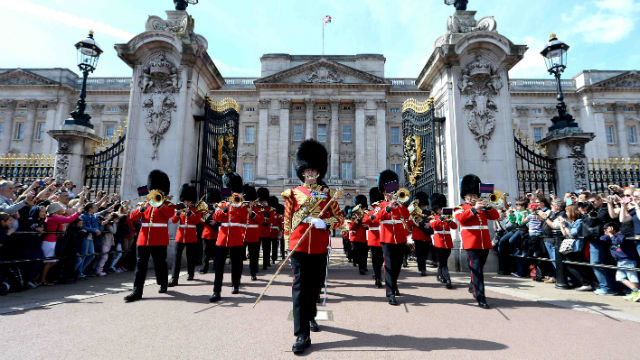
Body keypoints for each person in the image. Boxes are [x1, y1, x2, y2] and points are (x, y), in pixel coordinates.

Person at [282, 139, 344, 354]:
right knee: (300, 288)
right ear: (302, 172)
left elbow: (340, 220)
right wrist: (287, 246)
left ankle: (311, 317)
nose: (310, 174)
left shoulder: (327, 195)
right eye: (306, 170)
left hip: (319, 247)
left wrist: (323, 223)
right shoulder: (293, 194)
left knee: (315, 286)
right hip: (298, 246)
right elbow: (288, 221)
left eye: (313, 170)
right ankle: (301, 334)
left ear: (319, 172)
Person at [124, 170, 176, 302]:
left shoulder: (168, 205)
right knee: (141, 265)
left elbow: (169, 215)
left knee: (160, 263)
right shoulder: (144, 204)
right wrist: (144, 206)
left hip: (159, 239)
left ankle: (163, 282)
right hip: (143, 239)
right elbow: (133, 216)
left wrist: (158, 204)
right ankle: (137, 291)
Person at [454, 174, 499, 309]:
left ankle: (472, 285)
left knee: (478, 268)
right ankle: (481, 297)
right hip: (471, 243)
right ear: (465, 196)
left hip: (484, 242)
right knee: (477, 269)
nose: (473, 198)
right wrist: (474, 209)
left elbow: (495, 216)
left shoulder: (483, 206)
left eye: (475, 195)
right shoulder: (460, 207)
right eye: (470, 195)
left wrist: (489, 207)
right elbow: (461, 219)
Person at [209, 173, 248, 302]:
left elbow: (245, 218)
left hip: (236, 236)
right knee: (219, 265)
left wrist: (238, 206)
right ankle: (216, 291)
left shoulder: (242, 204)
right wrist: (225, 209)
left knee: (236, 263)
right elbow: (216, 218)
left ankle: (236, 284)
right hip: (223, 236)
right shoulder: (223, 204)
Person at [374, 169, 410, 306]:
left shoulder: (400, 203)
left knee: (398, 264)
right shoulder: (380, 205)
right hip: (387, 238)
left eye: (392, 190)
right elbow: (377, 218)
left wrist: (399, 205)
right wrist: (388, 207)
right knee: (388, 265)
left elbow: (406, 216)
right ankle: (390, 293)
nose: (391, 193)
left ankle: (393, 284)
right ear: (384, 191)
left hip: (400, 237)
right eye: (388, 191)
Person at [169, 184, 202, 287]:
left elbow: (197, 221)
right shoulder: (180, 208)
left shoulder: (196, 209)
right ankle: (174, 279)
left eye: (188, 200)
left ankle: (191, 273)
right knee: (176, 258)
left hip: (191, 235)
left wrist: (190, 213)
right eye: (185, 200)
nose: (186, 202)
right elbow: (174, 221)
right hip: (180, 235)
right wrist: (177, 213)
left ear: (191, 200)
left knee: (190, 256)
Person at [41, 202, 80, 285]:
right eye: (60, 208)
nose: (62, 210)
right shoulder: (54, 217)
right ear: (56, 210)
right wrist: (78, 213)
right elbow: (69, 219)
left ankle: (40, 279)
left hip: (52, 240)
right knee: (49, 262)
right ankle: (42, 280)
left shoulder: (53, 217)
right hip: (50, 241)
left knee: (52, 261)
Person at [600, 222, 640, 301]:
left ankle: (637, 292)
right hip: (620, 261)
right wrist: (609, 235)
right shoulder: (610, 236)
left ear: (612, 229)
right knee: (619, 278)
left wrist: (611, 235)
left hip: (628, 260)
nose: (605, 233)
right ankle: (636, 292)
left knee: (632, 277)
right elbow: (602, 238)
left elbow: (617, 242)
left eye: (606, 230)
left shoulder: (621, 235)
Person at [430, 193, 457, 289]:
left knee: (442, 261)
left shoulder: (447, 217)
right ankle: (448, 279)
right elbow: (433, 225)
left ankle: (439, 274)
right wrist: (441, 218)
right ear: (436, 209)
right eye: (439, 209)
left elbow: (455, 226)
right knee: (444, 262)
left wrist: (449, 220)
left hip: (448, 242)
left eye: (442, 208)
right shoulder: (433, 217)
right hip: (439, 242)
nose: (441, 210)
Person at [363, 187, 384, 288]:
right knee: (376, 259)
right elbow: (365, 221)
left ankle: (379, 275)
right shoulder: (369, 213)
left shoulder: (384, 211)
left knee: (381, 259)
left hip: (384, 237)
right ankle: (377, 277)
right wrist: (375, 214)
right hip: (374, 239)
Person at [243, 184, 264, 281]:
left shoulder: (259, 208)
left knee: (253, 256)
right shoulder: (242, 207)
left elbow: (261, 221)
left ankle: (253, 273)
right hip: (242, 234)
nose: (250, 201)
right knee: (239, 256)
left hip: (253, 235)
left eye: (251, 199)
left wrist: (253, 214)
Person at [410, 191, 433, 276]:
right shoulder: (413, 213)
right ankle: (422, 269)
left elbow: (431, 220)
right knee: (419, 254)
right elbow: (409, 223)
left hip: (426, 236)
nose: (423, 207)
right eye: (422, 205)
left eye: (424, 205)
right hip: (418, 236)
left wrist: (429, 224)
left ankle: (423, 267)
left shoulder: (427, 212)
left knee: (425, 253)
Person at [199, 188, 221, 274]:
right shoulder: (206, 207)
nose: (213, 203)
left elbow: (222, 219)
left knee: (216, 252)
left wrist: (215, 223)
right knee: (205, 252)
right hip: (207, 233)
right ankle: (204, 267)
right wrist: (207, 221)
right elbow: (201, 219)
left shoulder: (219, 208)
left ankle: (216, 266)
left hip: (216, 233)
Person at [349, 194, 369, 275]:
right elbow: (351, 227)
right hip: (359, 237)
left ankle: (364, 266)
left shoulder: (368, 213)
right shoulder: (355, 214)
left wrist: (367, 226)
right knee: (360, 254)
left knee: (365, 253)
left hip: (367, 237)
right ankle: (361, 268)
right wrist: (357, 220)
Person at [257, 187, 274, 270]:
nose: (263, 202)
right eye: (261, 201)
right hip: (258, 231)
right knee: (256, 250)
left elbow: (272, 219)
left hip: (267, 232)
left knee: (266, 250)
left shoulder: (270, 209)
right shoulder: (257, 208)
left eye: (264, 201)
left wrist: (264, 220)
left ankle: (265, 263)